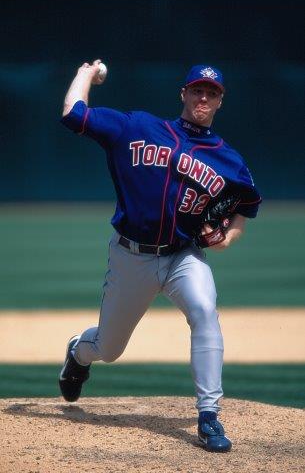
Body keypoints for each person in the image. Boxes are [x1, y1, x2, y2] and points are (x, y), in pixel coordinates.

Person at [59, 60, 262, 453]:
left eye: (212, 92)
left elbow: (247, 206)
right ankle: (77, 352)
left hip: (182, 257)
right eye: (197, 90)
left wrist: (229, 238)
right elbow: (73, 114)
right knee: (108, 348)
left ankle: (208, 416)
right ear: (183, 94)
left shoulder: (230, 160)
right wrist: (85, 74)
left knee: (204, 311)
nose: (204, 97)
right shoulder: (138, 127)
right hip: (130, 256)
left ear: (220, 101)